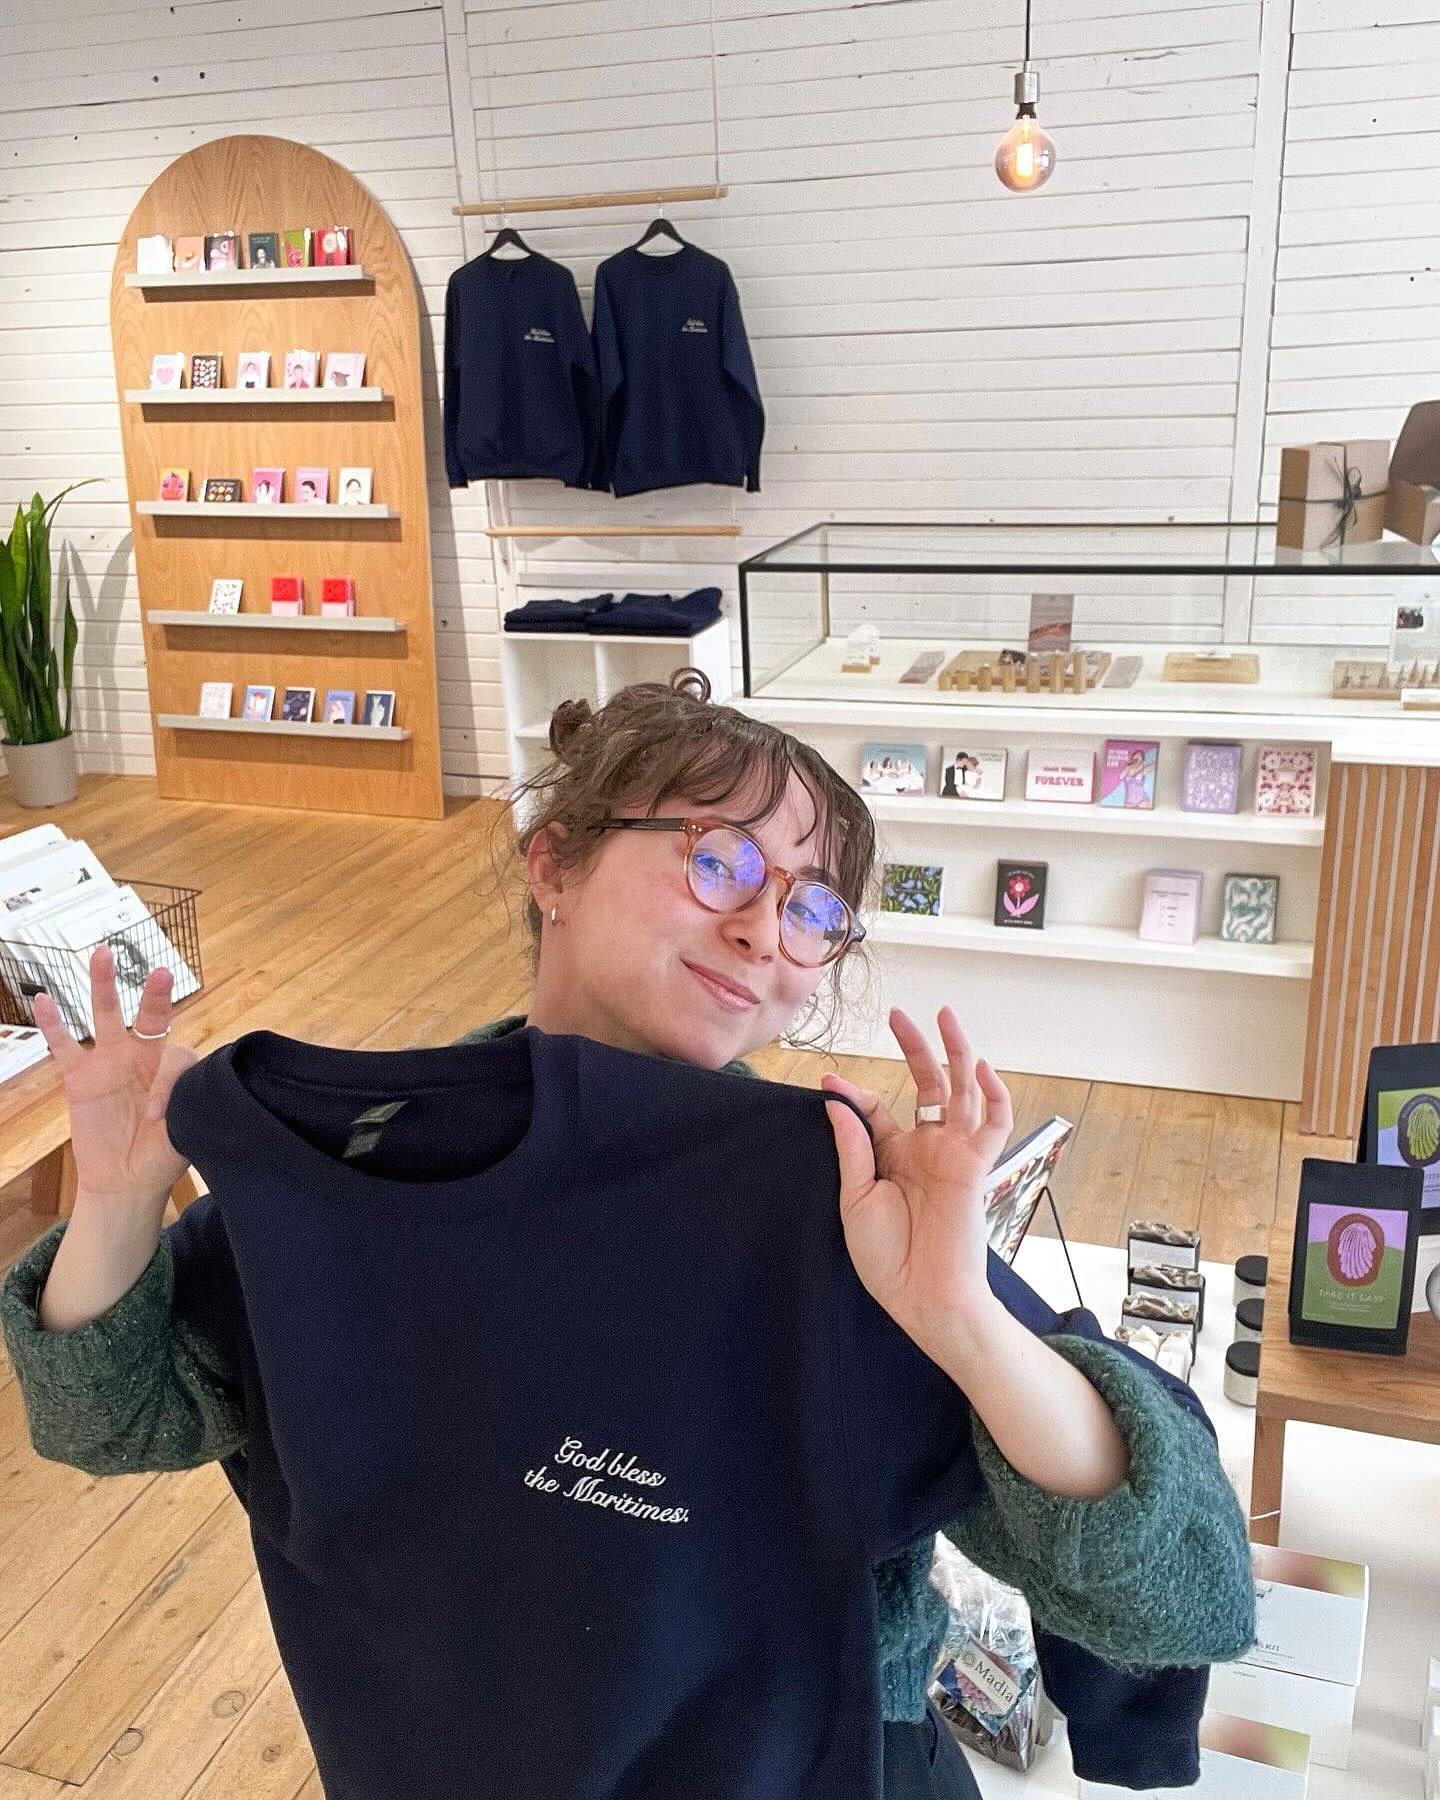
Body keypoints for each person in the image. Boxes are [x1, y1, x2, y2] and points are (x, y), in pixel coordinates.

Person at [1, 671, 1253, 1799]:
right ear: (552, 865)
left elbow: (1175, 1586)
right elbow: (113, 1417)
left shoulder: (830, 1205)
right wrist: (113, 1199)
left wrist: (961, 1318)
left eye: (816, 911)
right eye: (719, 860)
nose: (768, 930)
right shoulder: (378, 1169)